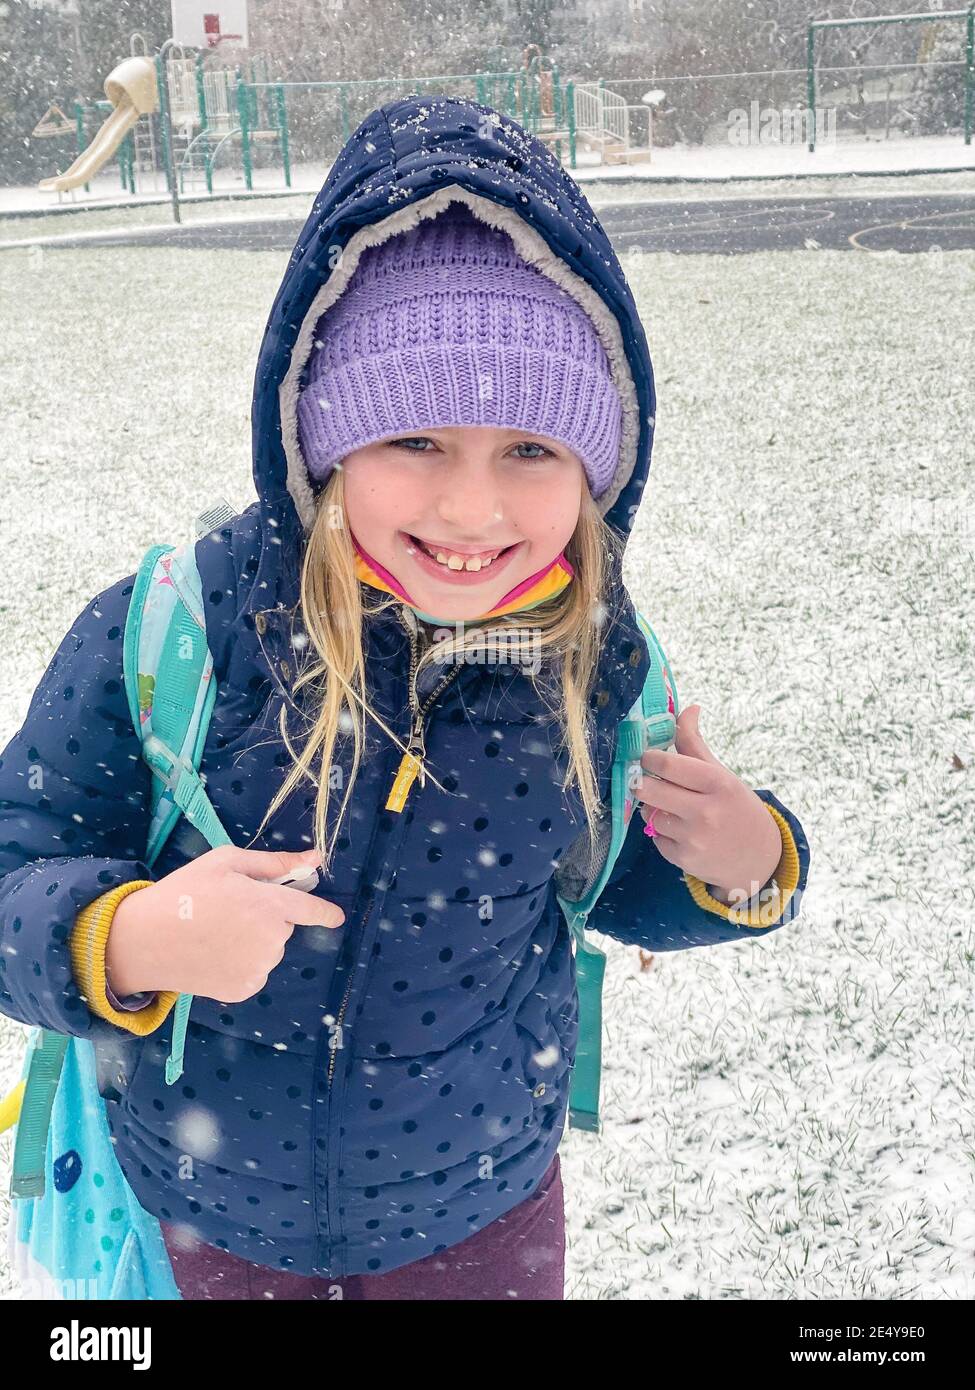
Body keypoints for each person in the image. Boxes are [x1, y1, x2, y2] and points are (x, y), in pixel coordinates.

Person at [0, 96, 810, 1301]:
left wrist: (747, 864)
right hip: (210, 1223)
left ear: (597, 471)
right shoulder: (178, 629)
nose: (472, 510)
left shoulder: (596, 656)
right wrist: (131, 938)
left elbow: (609, 881)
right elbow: (18, 863)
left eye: (531, 451)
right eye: (414, 441)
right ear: (319, 439)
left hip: (483, 1219)